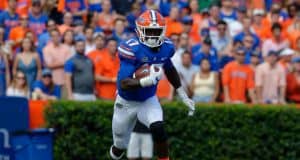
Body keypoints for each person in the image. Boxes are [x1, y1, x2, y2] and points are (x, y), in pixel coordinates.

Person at [110, 10, 195, 160]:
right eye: (149, 31)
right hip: (126, 101)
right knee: (119, 146)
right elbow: (123, 83)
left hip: (148, 99)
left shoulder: (166, 47)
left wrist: (182, 94)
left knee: (158, 127)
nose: (153, 36)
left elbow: (169, 68)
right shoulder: (131, 49)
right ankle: (117, 151)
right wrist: (147, 81)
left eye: (156, 31)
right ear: (139, 31)